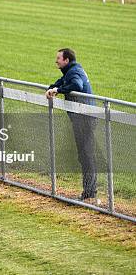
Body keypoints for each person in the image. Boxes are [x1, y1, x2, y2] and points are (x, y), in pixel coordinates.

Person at [45, 48, 97, 201]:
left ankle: (89, 193)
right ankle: (89, 191)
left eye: (58, 58)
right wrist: (52, 88)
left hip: (84, 118)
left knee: (86, 155)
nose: (56, 61)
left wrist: (58, 90)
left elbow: (77, 85)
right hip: (83, 117)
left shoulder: (73, 72)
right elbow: (59, 83)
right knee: (84, 155)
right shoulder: (71, 70)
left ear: (66, 60)